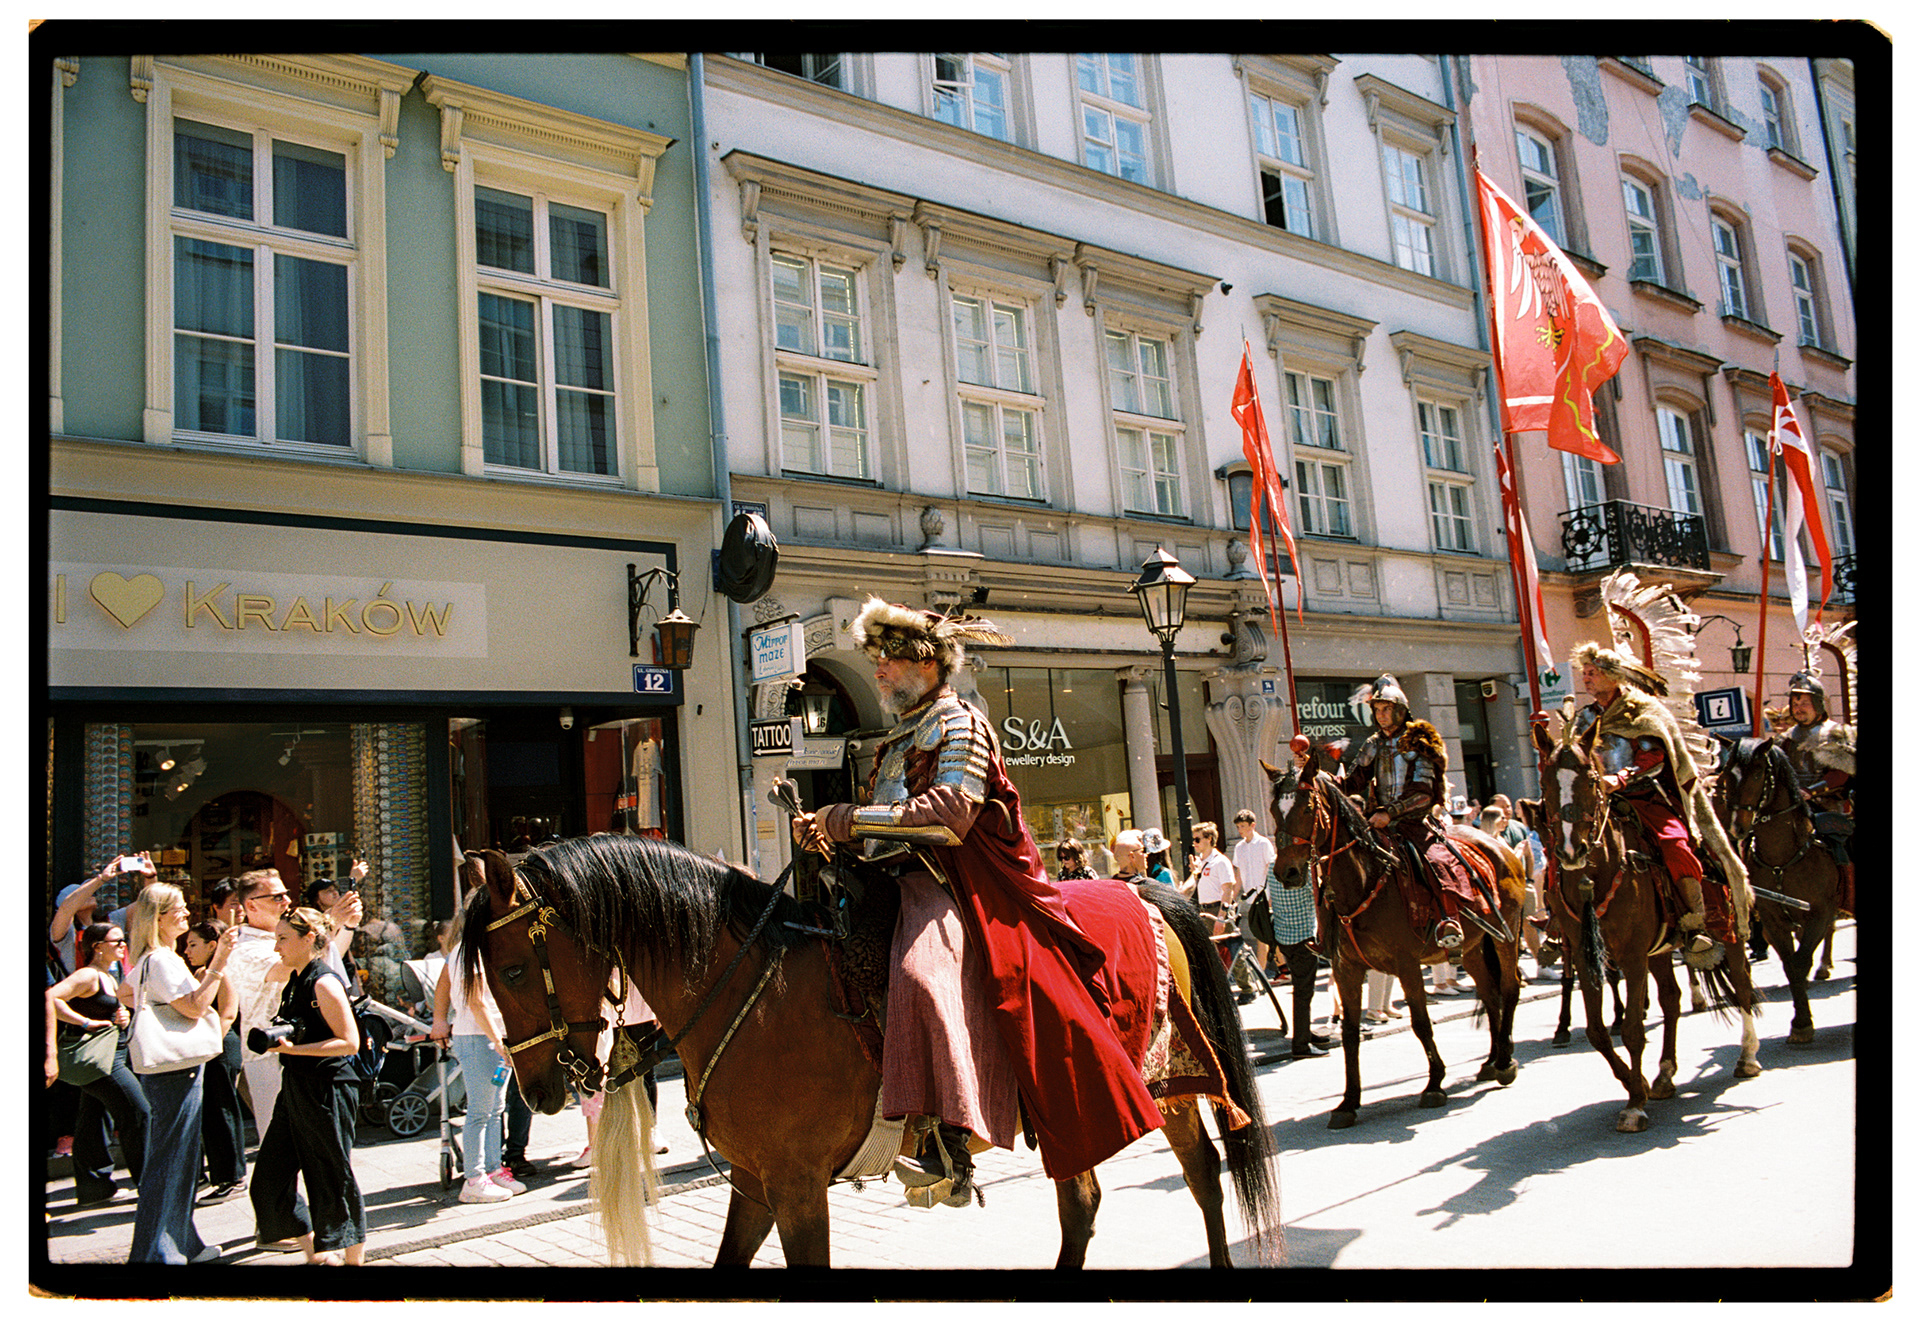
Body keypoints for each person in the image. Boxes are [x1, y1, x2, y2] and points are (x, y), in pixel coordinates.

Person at [792, 598, 1164, 1205]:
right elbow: (883, 829)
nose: (878, 669)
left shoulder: (958, 724)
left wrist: (847, 819)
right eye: (876, 658)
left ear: (927, 662)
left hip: (955, 883)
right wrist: (831, 834)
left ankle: (949, 1145)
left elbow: (949, 817)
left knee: (923, 973)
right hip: (891, 881)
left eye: (889, 658)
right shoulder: (896, 738)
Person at [1570, 642, 1749, 958]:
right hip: (1597, 802)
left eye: (1592, 673)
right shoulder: (1584, 718)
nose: (1586, 678)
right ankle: (1560, 926)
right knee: (1563, 844)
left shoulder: (1641, 710)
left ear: (1612, 675)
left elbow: (1654, 756)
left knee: (1675, 845)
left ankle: (1694, 922)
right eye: (1584, 673)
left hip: (1644, 797)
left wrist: (1620, 778)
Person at [124, 882, 237, 1264]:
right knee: (171, 1159)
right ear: (159, 918)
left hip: (174, 1068)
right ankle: (157, 1255)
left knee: (182, 1159)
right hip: (177, 1069)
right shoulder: (161, 959)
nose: (187, 913)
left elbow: (124, 994)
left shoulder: (150, 959)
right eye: (179, 908)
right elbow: (194, 1007)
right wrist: (218, 965)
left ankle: (182, 1244)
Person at [250, 905, 368, 1264]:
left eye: (283, 939)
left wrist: (294, 1049)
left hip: (327, 1088)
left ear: (309, 938)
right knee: (268, 1179)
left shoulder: (323, 982)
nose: (276, 947)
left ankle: (351, 1260)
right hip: (296, 1085)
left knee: (332, 1176)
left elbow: (349, 1043)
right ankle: (315, 1251)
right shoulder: (294, 980)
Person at [1339, 674, 1484, 949]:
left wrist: (1390, 812)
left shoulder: (1418, 742)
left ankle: (1449, 919)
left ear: (1400, 711)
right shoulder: (1373, 744)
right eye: (1377, 709)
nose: (1381, 715)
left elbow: (1423, 793)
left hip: (1415, 822)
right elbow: (1352, 782)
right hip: (1379, 823)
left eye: (1386, 709)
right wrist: (1320, 779)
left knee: (1436, 861)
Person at [48, 920, 150, 1206]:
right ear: (97, 947)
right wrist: (85, 1022)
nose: (123, 945)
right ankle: (149, 1185)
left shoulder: (108, 975)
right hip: (101, 1061)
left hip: (107, 1056)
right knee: (138, 1112)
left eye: (123, 939)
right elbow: (50, 997)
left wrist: (121, 1016)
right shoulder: (88, 975)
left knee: (93, 1118)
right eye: (117, 941)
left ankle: (94, 1187)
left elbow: (105, 1009)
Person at [430, 911, 521, 1204]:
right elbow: (475, 1001)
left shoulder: (470, 950)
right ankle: (474, 1178)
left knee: (494, 1109)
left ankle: (492, 1170)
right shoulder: (470, 951)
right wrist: (498, 1041)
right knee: (481, 1112)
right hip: (480, 1038)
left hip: (489, 1037)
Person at [226, 870, 295, 1133]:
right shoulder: (243, 949)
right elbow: (286, 970)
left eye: (286, 894)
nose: (287, 901)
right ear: (251, 905)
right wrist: (326, 931)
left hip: (303, 1048)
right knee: (277, 1138)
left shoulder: (288, 937)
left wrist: (344, 928)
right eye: (277, 897)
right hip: (268, 1054)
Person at [183, 920, 247, 1203]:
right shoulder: (203, 972)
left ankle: (232, 1178)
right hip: (209, 1048)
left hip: (220, 1048)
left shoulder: (222, 971)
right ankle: (214, 1175)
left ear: (212, 946)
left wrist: (208, 1046)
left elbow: (228, 1013)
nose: (187, 951)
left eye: (192, 944)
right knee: (210, 1113)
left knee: (222, 1112)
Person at [1778, 671, 1855, 904]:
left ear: (1818, 704)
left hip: (1827, 805)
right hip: (1792, 807)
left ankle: (1847, 898)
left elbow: (1841, 773)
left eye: (1804, 702)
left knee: (1841, 847)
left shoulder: (1835, 732)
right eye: (1795, 703)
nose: (1798, 708)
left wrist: (1811, 792)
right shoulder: (1787, 738)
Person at [1264, 854, 1330, 1058]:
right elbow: (1319, 896)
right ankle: (1301, 1045)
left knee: (1301, 988)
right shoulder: (1305, 870)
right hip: (1304, 938)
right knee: (1303, 992)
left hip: (1283, 936)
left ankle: (1305, 1031)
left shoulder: (1273, 866)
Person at [1231, 809, 1278, 981]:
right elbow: (1239, 875)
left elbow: (1271, 869)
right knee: (1262, 934)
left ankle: (1263, 972)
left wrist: (1272, 896)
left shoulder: (1264, 844)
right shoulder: (1239, 848)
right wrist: (1233, 897)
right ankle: (1274, 969)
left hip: (1266, 896)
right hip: (1251, 898)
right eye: (1238, 827)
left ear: (1253, 825)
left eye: (1243, 826)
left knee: (1263, 935)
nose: (1240, 830)